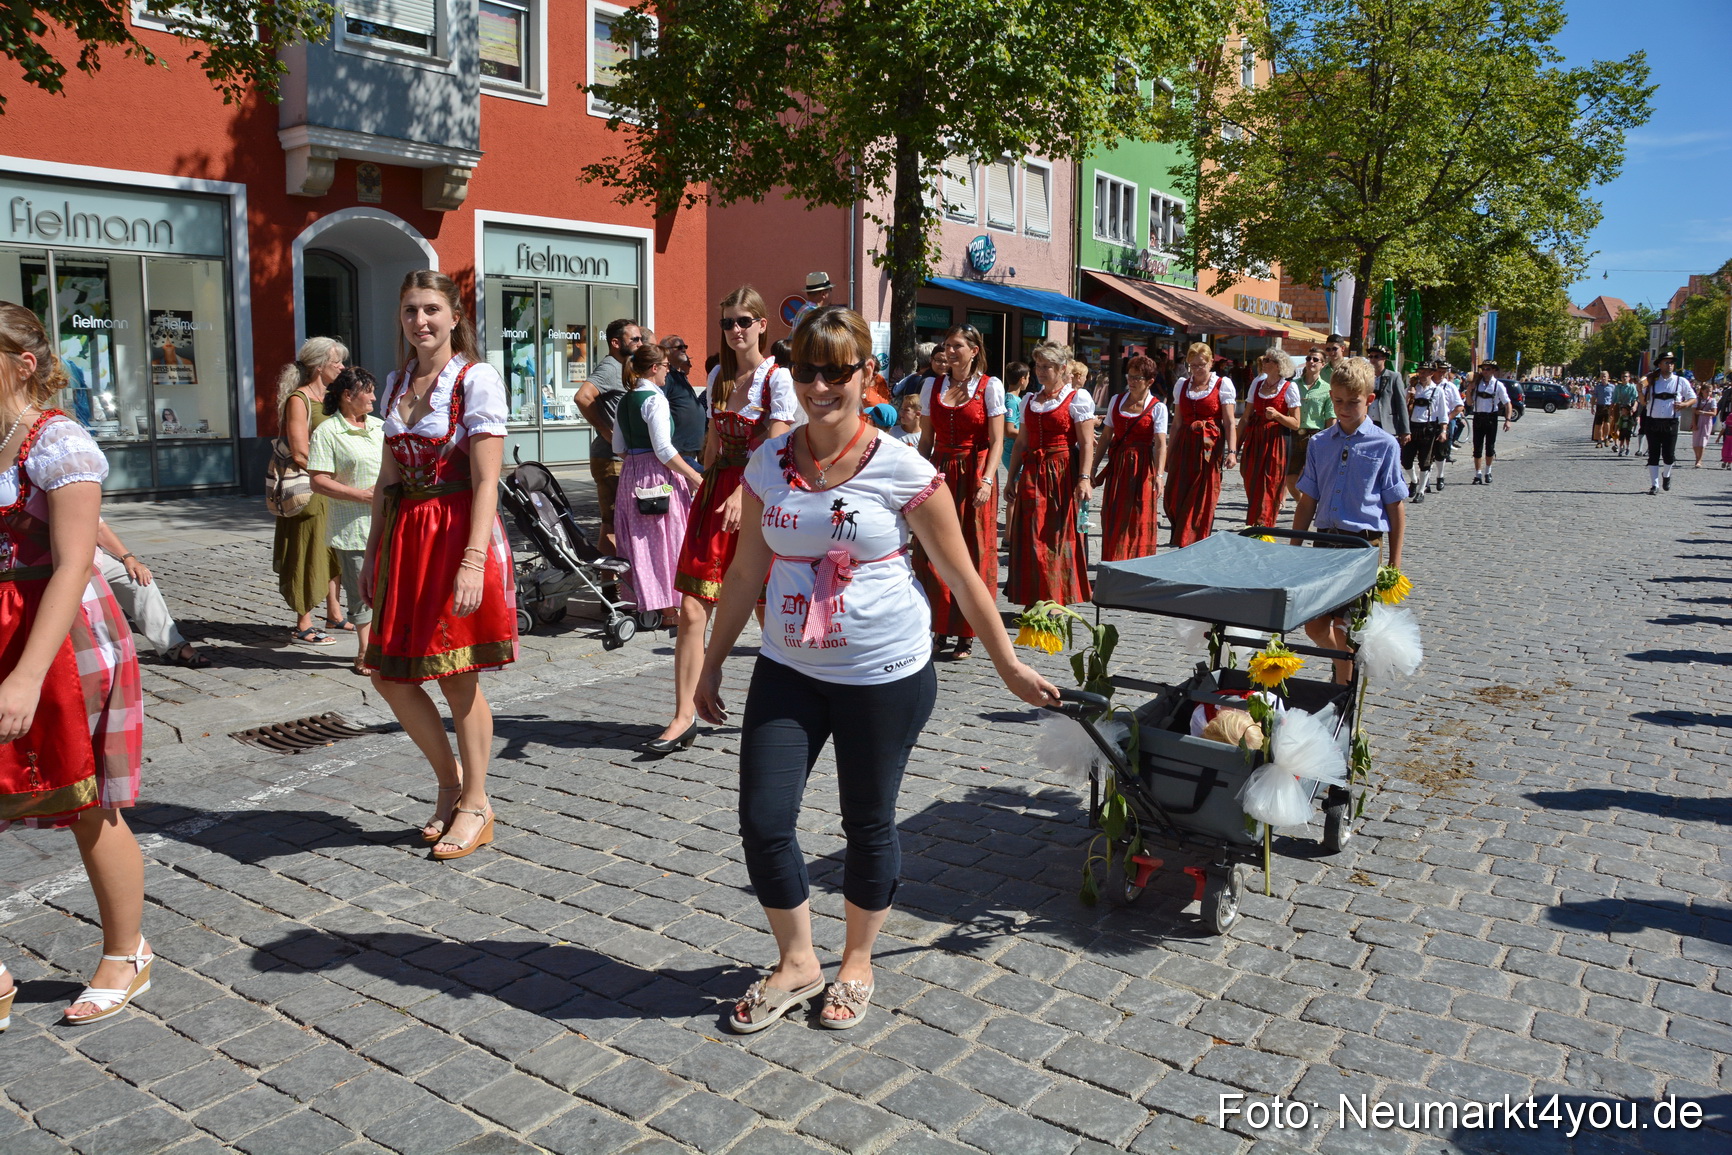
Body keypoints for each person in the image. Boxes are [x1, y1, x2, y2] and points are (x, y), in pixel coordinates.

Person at [694, 306, 1058, 1034]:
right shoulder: (769, 463)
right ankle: (797, 960)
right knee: (764, 818)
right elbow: (742, 575)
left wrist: (1007, 662)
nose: (820, 384)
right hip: (789, 666)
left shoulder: (901, 465)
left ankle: (856, 961)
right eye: (807, 370)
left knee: (867, 821)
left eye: (837, 370)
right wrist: (708, 668)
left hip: (883, 672)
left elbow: (962, 573)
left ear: (866, 374)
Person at [0, 302, 151, 1025]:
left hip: (60, 639)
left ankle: (127, 951)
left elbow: (69, 565)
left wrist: (27, 673)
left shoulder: (58, 440)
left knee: (87, 801)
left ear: (22, 364)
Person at [363, 271, 518, 861]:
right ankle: (450, 782)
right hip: (408, 538)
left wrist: (474, 561)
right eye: (409, 311)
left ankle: (476, 803)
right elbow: (387, 478)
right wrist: (375, 548)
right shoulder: (399, 380)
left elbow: (486, 481)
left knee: (457, 675)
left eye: (431, 309)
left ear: (455, 316)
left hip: (456, 534)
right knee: (389, 674)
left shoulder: (476, 379)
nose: (420, 321)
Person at [660, 287, 797, 753]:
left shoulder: (777, 379)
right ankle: (682, 715)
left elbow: (776, 449)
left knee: (767, 609)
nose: (735, 330)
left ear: (762, 324)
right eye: (728, 323)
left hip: (758, 495)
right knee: (693, 606)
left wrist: (745, 491)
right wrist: (704, 484)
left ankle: (789, 708)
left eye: (744, 321)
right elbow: (715, 444)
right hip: (717, 493)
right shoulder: (718, 374)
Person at [1291, 356, 1407, 683]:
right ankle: (1344, 666)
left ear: (1369, 400)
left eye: (1353, 402)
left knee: (1346, 630)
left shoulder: (1384, 445)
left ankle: (1342, 687)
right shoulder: (1318, 443)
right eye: (1338, 401)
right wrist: (1293, 547)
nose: (1344, 408)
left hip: (1362, 547)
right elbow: (1307, 501)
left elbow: (1396, 506)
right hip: (1325, 543)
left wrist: (1395, 563)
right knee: (1314, 625)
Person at [914, 325, 1005, 661]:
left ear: (974, 350)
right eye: (947, 346)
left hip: (974, 472)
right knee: (933, 551)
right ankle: (939, 627)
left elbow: (996, 441)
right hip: (940, 471)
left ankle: (967, 632)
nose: (950, 352)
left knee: (973, 551)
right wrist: (914, 479)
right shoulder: (931, 386)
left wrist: (988, 480)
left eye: (957, 346)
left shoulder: (989, 387)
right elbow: (925, 441)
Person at [614, 344, 705, 674]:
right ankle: (670, 609)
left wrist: (638, 465)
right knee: (668, 540)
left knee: (642, 543)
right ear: (653, 369)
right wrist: (693, 476)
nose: (668, 371)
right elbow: (665, 449)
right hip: (658, 475)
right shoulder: (654, 399)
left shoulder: (626, 400)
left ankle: (655, 603)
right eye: (665, 366)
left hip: (632, 476)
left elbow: (618, 447)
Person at [1005, 341, 1095, 607]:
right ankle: (1034, 596)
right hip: (1033, 473)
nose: (1040, 371)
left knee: (1056, 536)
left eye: (1047, 367)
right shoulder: (1029, 400)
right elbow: (1021, 443)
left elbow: (1087, 442)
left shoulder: (1077, 398)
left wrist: (1084, 478)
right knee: (1031, 535)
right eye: (1038, 366)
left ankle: (1057, 597)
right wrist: (1011, 478)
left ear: (1062, 368)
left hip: (1061, 474)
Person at [308, 367, 385, 676]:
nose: (374, 397)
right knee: (362, 592)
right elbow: (318, 482)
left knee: (391, 588)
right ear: (347, 395)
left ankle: (389, 644)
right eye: (368, 391)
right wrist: (361, 496)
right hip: (353, 527)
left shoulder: (381, 427)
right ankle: (365, 652)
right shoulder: (328, 432)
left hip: (390, 524)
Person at [271, 336, 348, 646]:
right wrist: (328, 473)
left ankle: (334, 613)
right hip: (309, 488)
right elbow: (300, 451)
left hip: (332, 486)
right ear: (319, 367)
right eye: (337, 362)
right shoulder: (298, 399)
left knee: (332, 552)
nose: (343, 367)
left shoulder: (330, 397)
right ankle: (303, 622)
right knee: (306, 552)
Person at [94, 521, 209, 668]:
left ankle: (170, 645)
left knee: (138, 580)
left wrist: (129, 558)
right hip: (66, 562)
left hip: (93, 556)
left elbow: (99, 527)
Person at [575, 318, 645, 554]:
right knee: (612, 523)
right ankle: (608, 586)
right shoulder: (610, 367)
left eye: (641, 338)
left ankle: (617, 581)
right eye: (634, 339)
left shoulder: (626, 367)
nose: (640, 343)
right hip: (609, 459)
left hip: (622, 458)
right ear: (616, 343)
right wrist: (607, 431)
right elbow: (582, 397)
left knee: (621, 522)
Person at [1092, 353, 1167, 560]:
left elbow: (1160, 444)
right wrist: (1093, 467)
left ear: (1150, 381)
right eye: (1130, 376)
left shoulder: (1158, 408)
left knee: (1138, 516)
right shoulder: (1117, 400)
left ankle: (1136, 564)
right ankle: (1113, 562)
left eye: (1137, 378)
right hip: (1118, 466)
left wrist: (1159, 477)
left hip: (1143, 468)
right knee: (1113, 515)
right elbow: (1106, 436)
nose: (1131, 382)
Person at [1163, 341, 1238, 547]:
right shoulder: (1182, 385)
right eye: (1193, 365)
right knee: (1176, 492)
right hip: (1184, 444)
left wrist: (1232, 451)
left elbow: (1230, 422)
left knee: (1203, 492)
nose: (1197, 369)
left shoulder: (1222, 385)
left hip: (1209, 445)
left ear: (1211, 363)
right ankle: (1180, 534)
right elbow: (1177, 423)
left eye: (1201, 365)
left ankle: (1196, 537)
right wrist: (1168, 454)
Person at [1240, 348, 1300, 527]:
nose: (1263, 362)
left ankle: (1264, 526)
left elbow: (1296, 423)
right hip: (1255, 438)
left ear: (1278, 365)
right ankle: (1253, 523)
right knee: (1251, 480)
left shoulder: (1289, 388)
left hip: (1276, 441)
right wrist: (1235, 447)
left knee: (1270, 483)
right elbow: (1245, 417)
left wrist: (1277, 416)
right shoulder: (1257, 384)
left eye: (1267, 360)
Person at [1638, 352, 1696, 494]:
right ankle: (1654, 484)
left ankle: (1666, 475)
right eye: (1666, 362)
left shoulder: (1680, 381)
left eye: (1671, 362)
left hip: (1671, 422)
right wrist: (1639, 389)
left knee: (1669, 455)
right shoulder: (1652, 381)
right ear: (1659, 364)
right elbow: (1643, 401)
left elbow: (1693, 398)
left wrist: (1684, 404)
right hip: (1653, 421)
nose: (1670, 365)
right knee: (1653, 454)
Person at [1286, 349, 1332, 502]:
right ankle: (1303, 506)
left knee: (1312, 479)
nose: (1311, 362)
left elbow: (1330, 419)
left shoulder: (1327, 389)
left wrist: (1329, 441)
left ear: (1323, 364)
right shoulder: (1292, 385)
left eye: (1315, 359)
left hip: (1315, 436)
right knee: (1290, 480)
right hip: (1293, 434)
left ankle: (1312, 508)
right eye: (1308, 358)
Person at [659, 334, 707, 475]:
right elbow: (660, 406)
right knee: (678, 488)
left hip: (692, 446)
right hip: (679, 446)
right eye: (679, 347)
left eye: (685, 346)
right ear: (665, 351)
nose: (684, 349)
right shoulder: (666, 377)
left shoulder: (678, 375)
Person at [1405, 362, 1451, 499]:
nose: (1422, 374)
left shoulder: (1438, 391)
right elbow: (1402, 406)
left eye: (1425, 372)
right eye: (1420, 372)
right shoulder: (1412, 388)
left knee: (1425, 460)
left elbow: (1443, 413)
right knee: (1405, 459)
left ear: (1432, 373)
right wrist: (1409, 395)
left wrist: (1443, 431)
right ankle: (1414, 480)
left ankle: (1421, 491)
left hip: (1428, 427)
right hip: (1412, 427)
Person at [1465, 361, 1511, 484]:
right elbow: (1469, 403)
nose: (1485, 371)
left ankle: (1488, 471)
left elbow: (1507, 403)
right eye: (1483, 369)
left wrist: (1508, 420)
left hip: (1491, 417)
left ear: (1493, 371)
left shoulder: (1498, 385)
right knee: (1477, 447)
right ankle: (1478, 474)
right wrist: (1469, 391)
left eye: (1488, 369)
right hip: (1478, 417)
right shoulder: (1477, 384)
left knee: (1490, 447)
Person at [1365, 346, 1411, 446]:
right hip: (1368, 423)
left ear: (1384, 358)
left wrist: (1405, 430)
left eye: (1376, 357)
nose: (1373, 360)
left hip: (1386, 425)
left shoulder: (1394, 377)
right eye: (1371, 356)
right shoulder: (1365, 376)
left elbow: (1401, 404)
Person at [1001, 361, 1028, 473]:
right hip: (1012, 451)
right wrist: (1029, 434)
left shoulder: (1017, 399)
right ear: (1022, 380)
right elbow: (1009, 430)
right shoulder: (1011, 401)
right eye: (1028, 378)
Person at [1688, 372, 1713, 468]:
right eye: (1707, 391)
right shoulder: (1697, 400)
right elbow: (1694, 412)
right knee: (1695, 442)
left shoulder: (1712, 400)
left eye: (1710, 391)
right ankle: (1696, 457)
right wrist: (1694, 423)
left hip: (1707, 422)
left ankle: (1699, 460)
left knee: (1702, 442)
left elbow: (1714, 413)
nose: (1709, 393)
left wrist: (1703, 413)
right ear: (1702, 391)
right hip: (1698, 421)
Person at [1611, 371, 1639, 457]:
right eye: (1623, 376)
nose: (1624, 378)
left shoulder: (1632, 387)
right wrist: (1611, 409)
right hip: (1619, 406)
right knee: (1616, 425)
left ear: (1629, 378)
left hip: (1628, 408)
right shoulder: (1618, 387)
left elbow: (1635, 398)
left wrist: (1634, 407)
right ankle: (1617, 444)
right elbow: (1614, 399)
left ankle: (1626, 446)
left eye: (1626, 376)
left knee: (1626, 428)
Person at [1591, 371, 1616, 447]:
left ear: (1608, 377)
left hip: (1608, 406)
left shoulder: (1612, 387)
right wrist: (1592, 407)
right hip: (1600, 406)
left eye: (1605, 376)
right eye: (1602, 376)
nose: (1603, 377)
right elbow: (1594, 397)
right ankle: (1599, 441)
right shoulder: (1598, 387)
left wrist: (1613, 408)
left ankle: (1606, 438)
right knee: (1598, 425)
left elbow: (1614, 398)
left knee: (1607, 424)